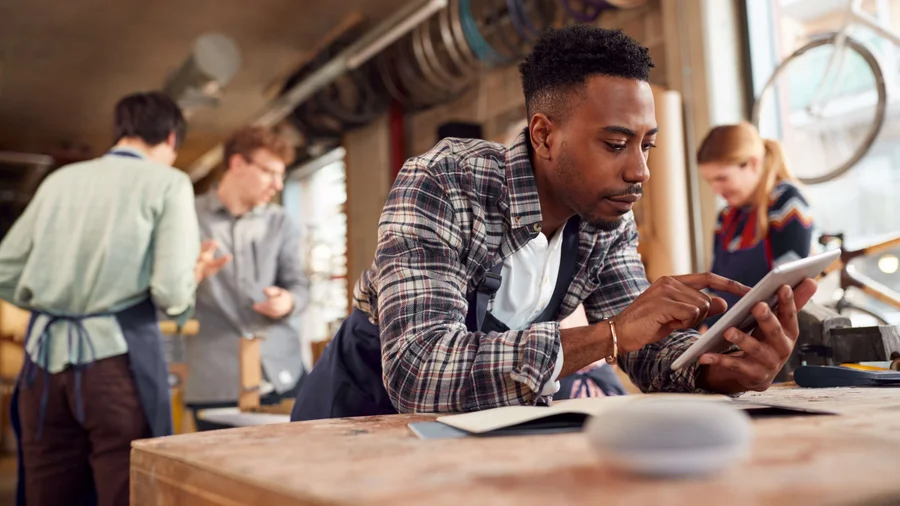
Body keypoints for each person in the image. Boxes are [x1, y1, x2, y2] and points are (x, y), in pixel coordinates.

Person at [290, 26, 819, 422]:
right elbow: (421, 371)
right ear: (543, 135)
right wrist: (610, 335)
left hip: (468, 431)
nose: (640, 171)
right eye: (615, 144)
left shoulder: (606, 218)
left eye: (646, 145)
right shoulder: (444, 181)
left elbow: (648, 356)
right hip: (356, 419)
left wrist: (718, 367)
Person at [0, 91, 228, 506]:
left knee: (46, 491)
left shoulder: (59, 181)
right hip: (113, 367)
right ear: (172, 139)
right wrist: (192, 277)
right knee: (127, 490)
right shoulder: (168, 183)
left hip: (42, 366)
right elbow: (171, 292)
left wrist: (53, 301)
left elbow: (5, 269)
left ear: (122, 132)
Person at [187, 125, 310, 430]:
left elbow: (300, 284)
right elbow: (164, 295)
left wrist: (289, 301)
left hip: (282, 371)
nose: (278, 185)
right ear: (238, 164)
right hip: (215, 379)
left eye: (281, 175)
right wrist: (191, 277)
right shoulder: (188, 218)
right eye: (270, 172)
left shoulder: (279, 222)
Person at [697, 122, 814, 327]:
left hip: (774, 332)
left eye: (722, 178)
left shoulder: (786, 203)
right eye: (710, 181)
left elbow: (787, 288)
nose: (716, 189)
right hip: (731, 334)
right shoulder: (725, 218)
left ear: (752, 163)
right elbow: (714, 287)